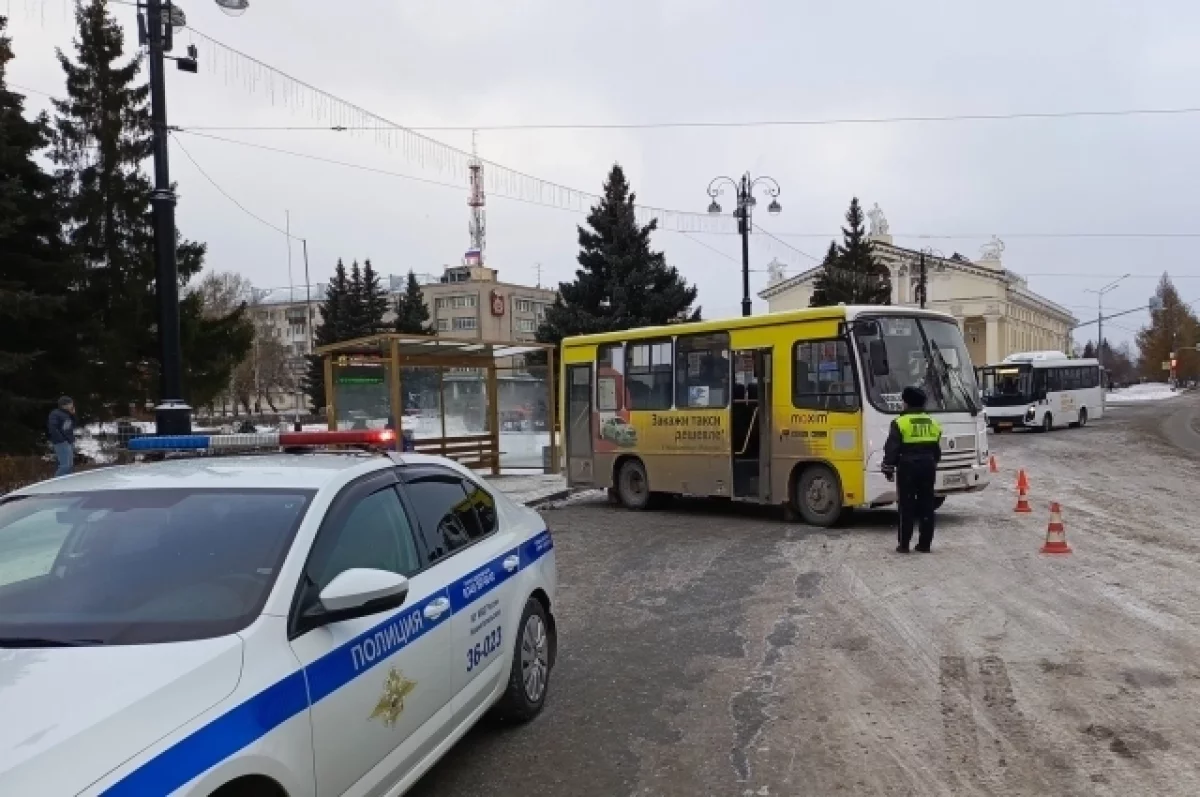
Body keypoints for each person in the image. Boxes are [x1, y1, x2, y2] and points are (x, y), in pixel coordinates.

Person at [881, 386, 942, 553]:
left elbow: (892, 448)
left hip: (907, 467)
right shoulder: (933, 422)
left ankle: (904, 544)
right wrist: (933, 463)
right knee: (927, 504)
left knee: (906, 505)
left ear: (907, 403)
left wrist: (887, 468)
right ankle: (924, 544)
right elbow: (936, 450)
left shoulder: (900, 423)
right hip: (928, 466)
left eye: (903, 401)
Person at [48, 396, 76, 478]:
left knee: (70, 466)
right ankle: (55, 484)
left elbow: (73, 425)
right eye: (71, 404)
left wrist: (73, 415)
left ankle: (67, 483)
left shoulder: (68, 414)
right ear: (64, 405)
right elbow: (53, 428)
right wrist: (61, 439)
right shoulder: (55, 413)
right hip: (61, 442)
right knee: (65, 465)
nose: (72, 405)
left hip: (69, 441)